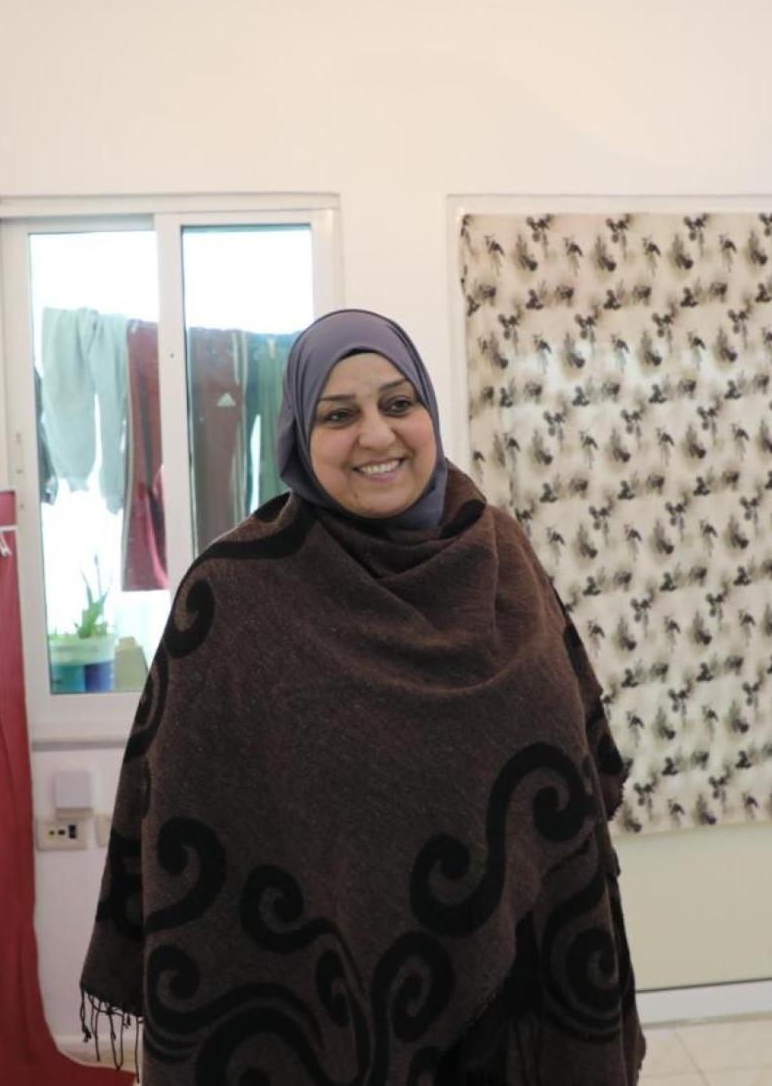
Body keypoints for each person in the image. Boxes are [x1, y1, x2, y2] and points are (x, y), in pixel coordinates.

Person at [79, 308, 646, 1084]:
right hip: (326, 1009)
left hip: (520, 1008)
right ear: (298, 435)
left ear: (429, 413)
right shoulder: (235, 599)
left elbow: (576, 771)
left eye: (398, 403)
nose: (377, 435)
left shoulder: (501, 556)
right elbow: (184, 817)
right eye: (339, 415)